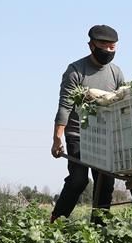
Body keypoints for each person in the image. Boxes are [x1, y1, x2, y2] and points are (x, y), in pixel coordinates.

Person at [51, 24, 125, 224]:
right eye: (103, 45)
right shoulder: (76, 71)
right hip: (78, 134)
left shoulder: (116, 73)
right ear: (91, 45)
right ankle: (56, 221)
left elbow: (121, 105)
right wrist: (57, 138)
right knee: (78, 180)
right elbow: (65, 107)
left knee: (105, 182)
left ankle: (99, 229)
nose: (108, 50)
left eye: (112, 47)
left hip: (104, 135)